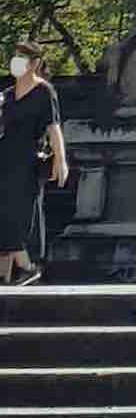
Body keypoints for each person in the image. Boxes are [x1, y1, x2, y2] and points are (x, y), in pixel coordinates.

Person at [1, 44, 66, 287]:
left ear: (35, 63)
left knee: (14, 214)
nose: (16, 61)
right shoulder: (6, 94)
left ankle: (28, 267)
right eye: (15, 56)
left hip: (27, 161)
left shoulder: (43, 92)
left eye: (22, 57)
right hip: (4, 158)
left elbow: (54, 127)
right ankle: (5, 276)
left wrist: (60, 158)